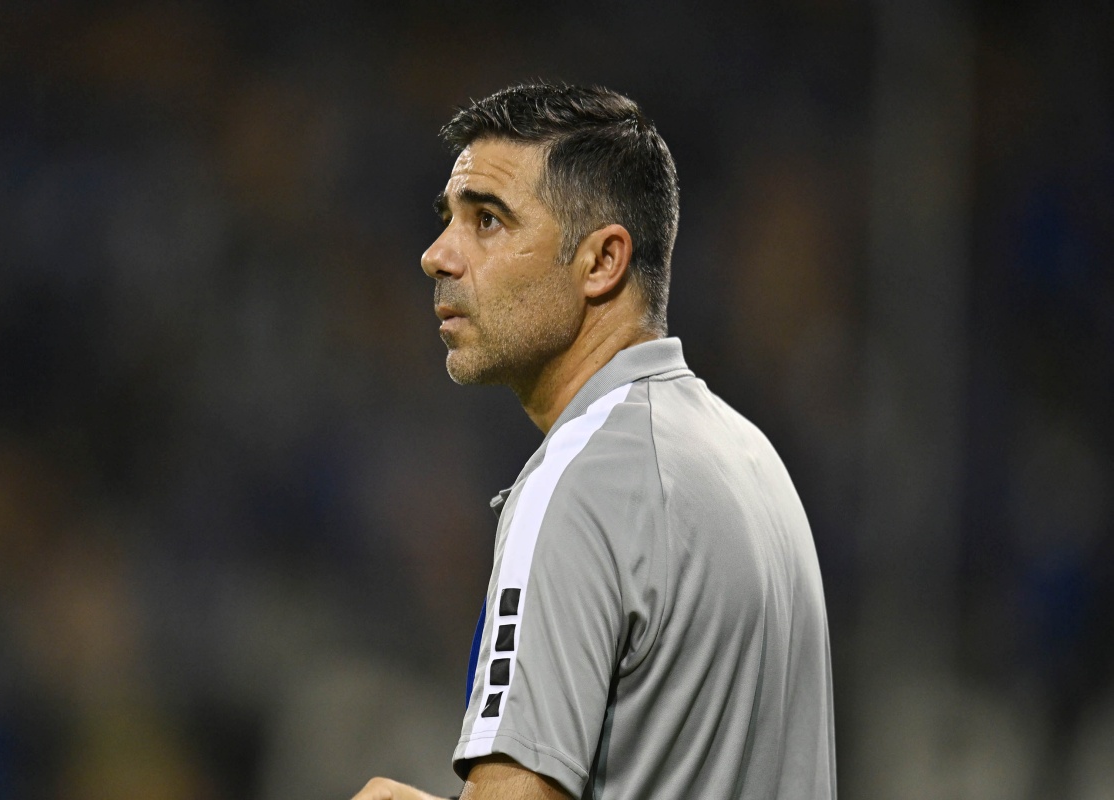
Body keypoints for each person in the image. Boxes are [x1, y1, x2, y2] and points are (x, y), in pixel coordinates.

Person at [353, 82, 835, 800]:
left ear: (603, 262)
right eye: (447, 218)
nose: (437, 255)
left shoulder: (577, 487)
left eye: (487, 220)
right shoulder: (750, 458)